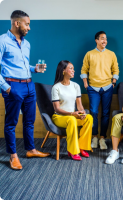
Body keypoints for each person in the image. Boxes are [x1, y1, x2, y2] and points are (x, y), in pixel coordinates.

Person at [0, 10, 50, 170]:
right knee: (11, 123)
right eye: (27, 24)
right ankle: (13, 156)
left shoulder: (26, 44)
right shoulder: (2, 41)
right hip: (13, 86)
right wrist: (7, 88)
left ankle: (31, 150)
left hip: (29, 85)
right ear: (17, 23)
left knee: (29, 121)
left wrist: (34, 68)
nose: (29, 28)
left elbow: (22, 66)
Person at [80, 31, 119, 150]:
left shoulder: (111, 54)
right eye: (102, 39)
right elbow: (84, 70)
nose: (104, 41)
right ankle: (94, 137)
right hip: (93, 88)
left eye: (106, 39)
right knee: (94, 112)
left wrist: (113, 83)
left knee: (106, 113)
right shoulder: (89, 54)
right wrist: (86, 84)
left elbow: (116, 69)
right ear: (96, 40)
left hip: (107, 87)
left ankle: (103, 138)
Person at [51, 60, 93, 161]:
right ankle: (73, 151)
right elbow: (57, 108)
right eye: (70, 68)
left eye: (73, 69)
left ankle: (81, 147)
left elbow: (79, 105)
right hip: (59, 117)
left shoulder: (76, 86)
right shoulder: (56, 87)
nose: (73, 71)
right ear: (63, 70)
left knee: (89, 118)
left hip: (72, 116)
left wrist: (82, 112)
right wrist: (72, 114)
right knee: (72, 120)